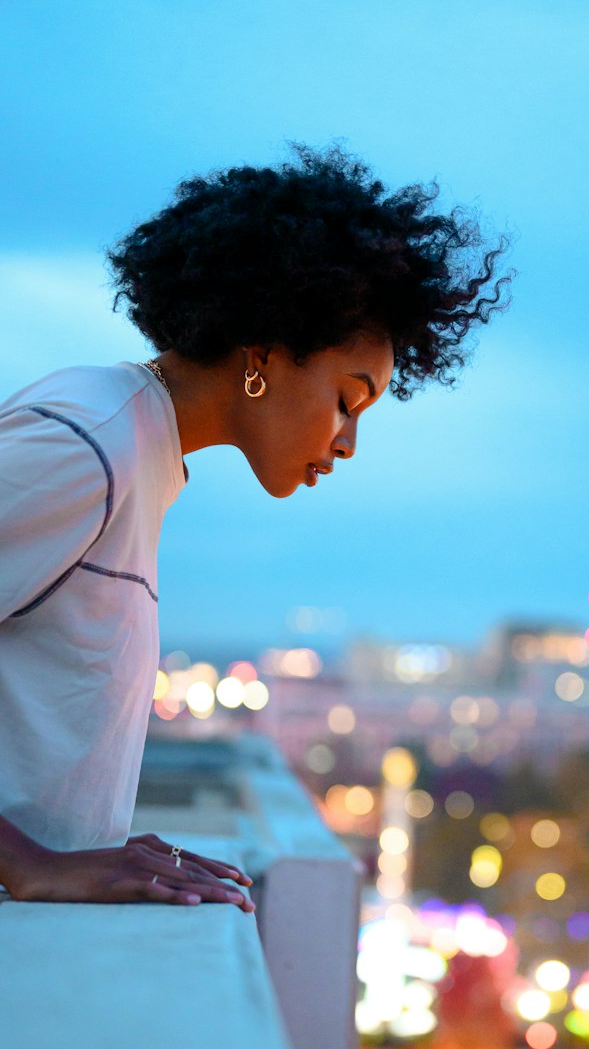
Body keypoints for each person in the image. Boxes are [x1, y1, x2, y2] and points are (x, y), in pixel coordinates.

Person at [0, 145, 510, 908]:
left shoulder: (134, 447)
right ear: (265, 350)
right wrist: (29, 862)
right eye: (347, 399)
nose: (348, 443)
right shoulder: (89, 444)